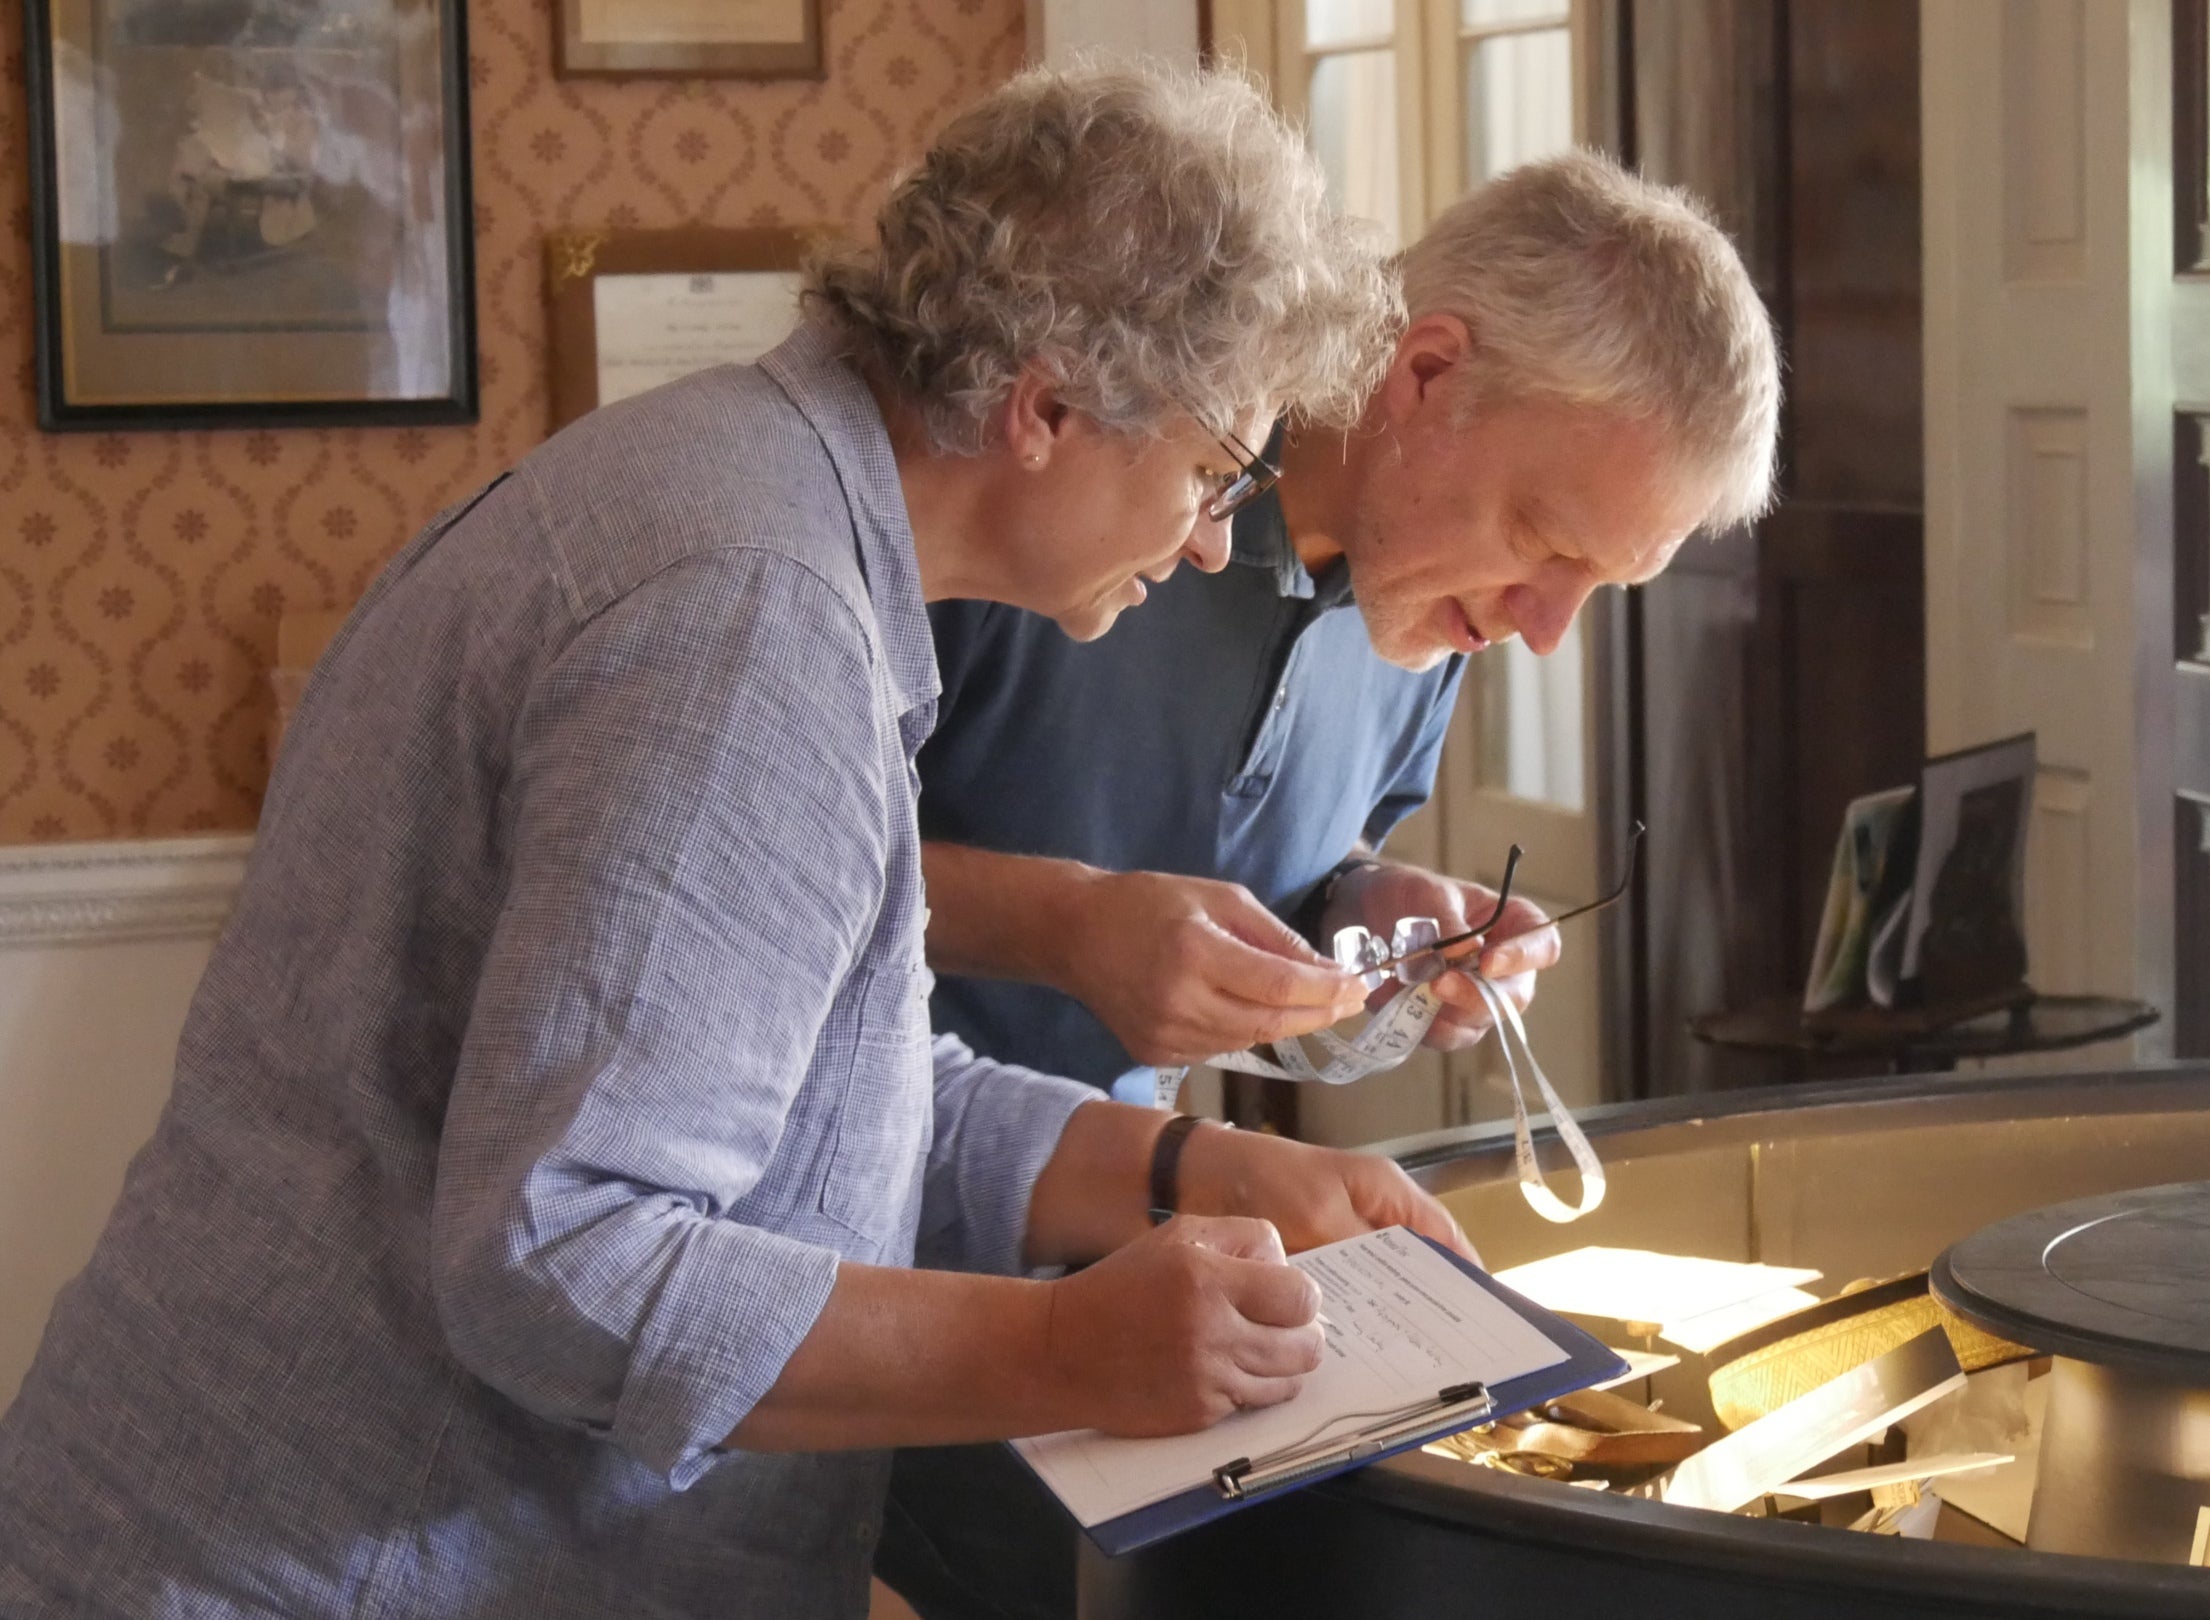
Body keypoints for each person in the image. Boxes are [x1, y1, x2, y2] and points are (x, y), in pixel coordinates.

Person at [0, 64, 1452, 1620]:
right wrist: (1062, 1351)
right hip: (322, 1563)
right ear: (1045, 409)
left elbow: (828, 1093)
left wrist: (1178, 1165)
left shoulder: (759, 495)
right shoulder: (754, 615)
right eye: (1215, 471)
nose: (1217, 538)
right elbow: (568, 1261)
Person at [879, 152, 1782, 1620]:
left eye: (1599, 587)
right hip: (826, 1277)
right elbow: (740, 863)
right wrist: (1063, 922)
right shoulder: (1077, 483)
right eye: (1548, 544)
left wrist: (1373, 933)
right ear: (1427, 372)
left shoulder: (1418, 614)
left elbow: (1289, 892)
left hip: (1113, 1274)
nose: (1547, 630)